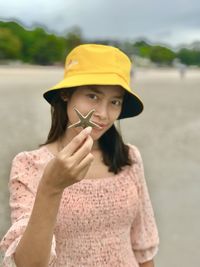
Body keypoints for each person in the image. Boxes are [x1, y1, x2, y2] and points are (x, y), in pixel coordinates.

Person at [0, 44, 159, 267]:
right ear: (66, 94)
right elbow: (28, 264)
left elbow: (143, 246)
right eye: (93, 96)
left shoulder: (129, 157)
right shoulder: (28, 165)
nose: (103, 115)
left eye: (115, 102)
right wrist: (50, 187)